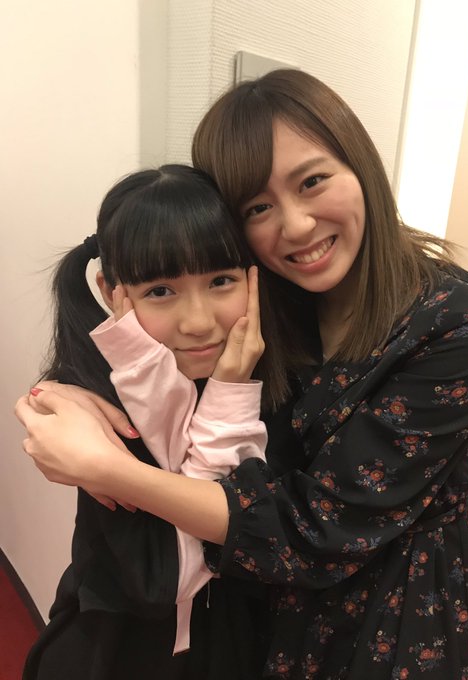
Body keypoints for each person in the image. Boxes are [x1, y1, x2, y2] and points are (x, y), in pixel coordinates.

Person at [16, 70, 468, 679]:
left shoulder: (456, 322)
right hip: (253, 607)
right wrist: (67, 393)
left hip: (392, 602)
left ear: (361, 165)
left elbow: (321, 527)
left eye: (313, 181)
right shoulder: (266, 292)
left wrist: (105, 468)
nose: (295, 225)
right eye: (258, 207)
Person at [19, 163, 288, 679]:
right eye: (161, 291)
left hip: (233, 648)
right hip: (113, 654)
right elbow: (167, 578)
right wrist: (226, 396)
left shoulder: (278, 384)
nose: (199, 322)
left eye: (222, 280)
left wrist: (232, 387)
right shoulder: (99, 405)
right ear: (110, 291)